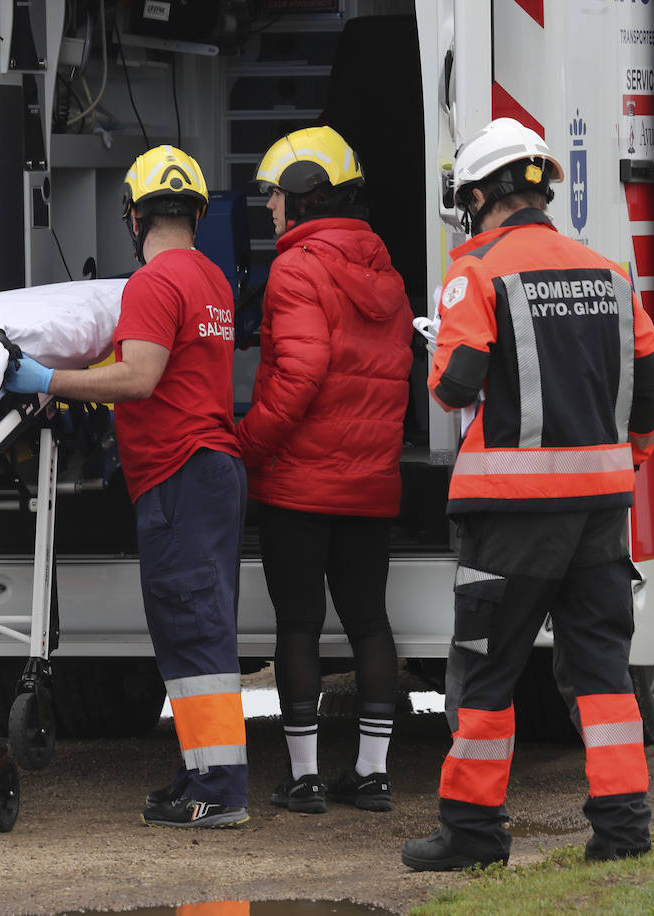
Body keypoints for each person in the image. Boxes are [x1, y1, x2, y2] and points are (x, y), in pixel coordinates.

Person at [401, 118, 654, 871]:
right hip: (599, 516)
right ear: (541, 188)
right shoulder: (608, 272)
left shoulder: (476, 272)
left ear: (482, 195)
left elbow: (455, 386)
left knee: (488, 672)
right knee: (601, 673)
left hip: (509, 517)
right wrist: (629, 459)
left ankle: (473, 836)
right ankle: (622, 832)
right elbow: (653, 384)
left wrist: (442, 350)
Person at [4, 145, 250, 828]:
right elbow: (169, 376)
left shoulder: (150, 284)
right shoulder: (213, 279)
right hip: (211, 470)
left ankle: (220, 789)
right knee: (193, 628)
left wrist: (50, 380)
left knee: (193, 630)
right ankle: (203, 771)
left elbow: (139, 378)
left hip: (179, 473)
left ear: (133, 216)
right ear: (199, 213)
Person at [238, 127, 412, 815]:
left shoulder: (295, 269)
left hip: (301, 482)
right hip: (372, 481)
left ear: (307, 195)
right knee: (369, 619)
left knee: (300, 624)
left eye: (276, 194)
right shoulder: (386, 271)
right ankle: (371, 772)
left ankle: (304, 775)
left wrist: (248, 442)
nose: (271, 207)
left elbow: (301, 373)